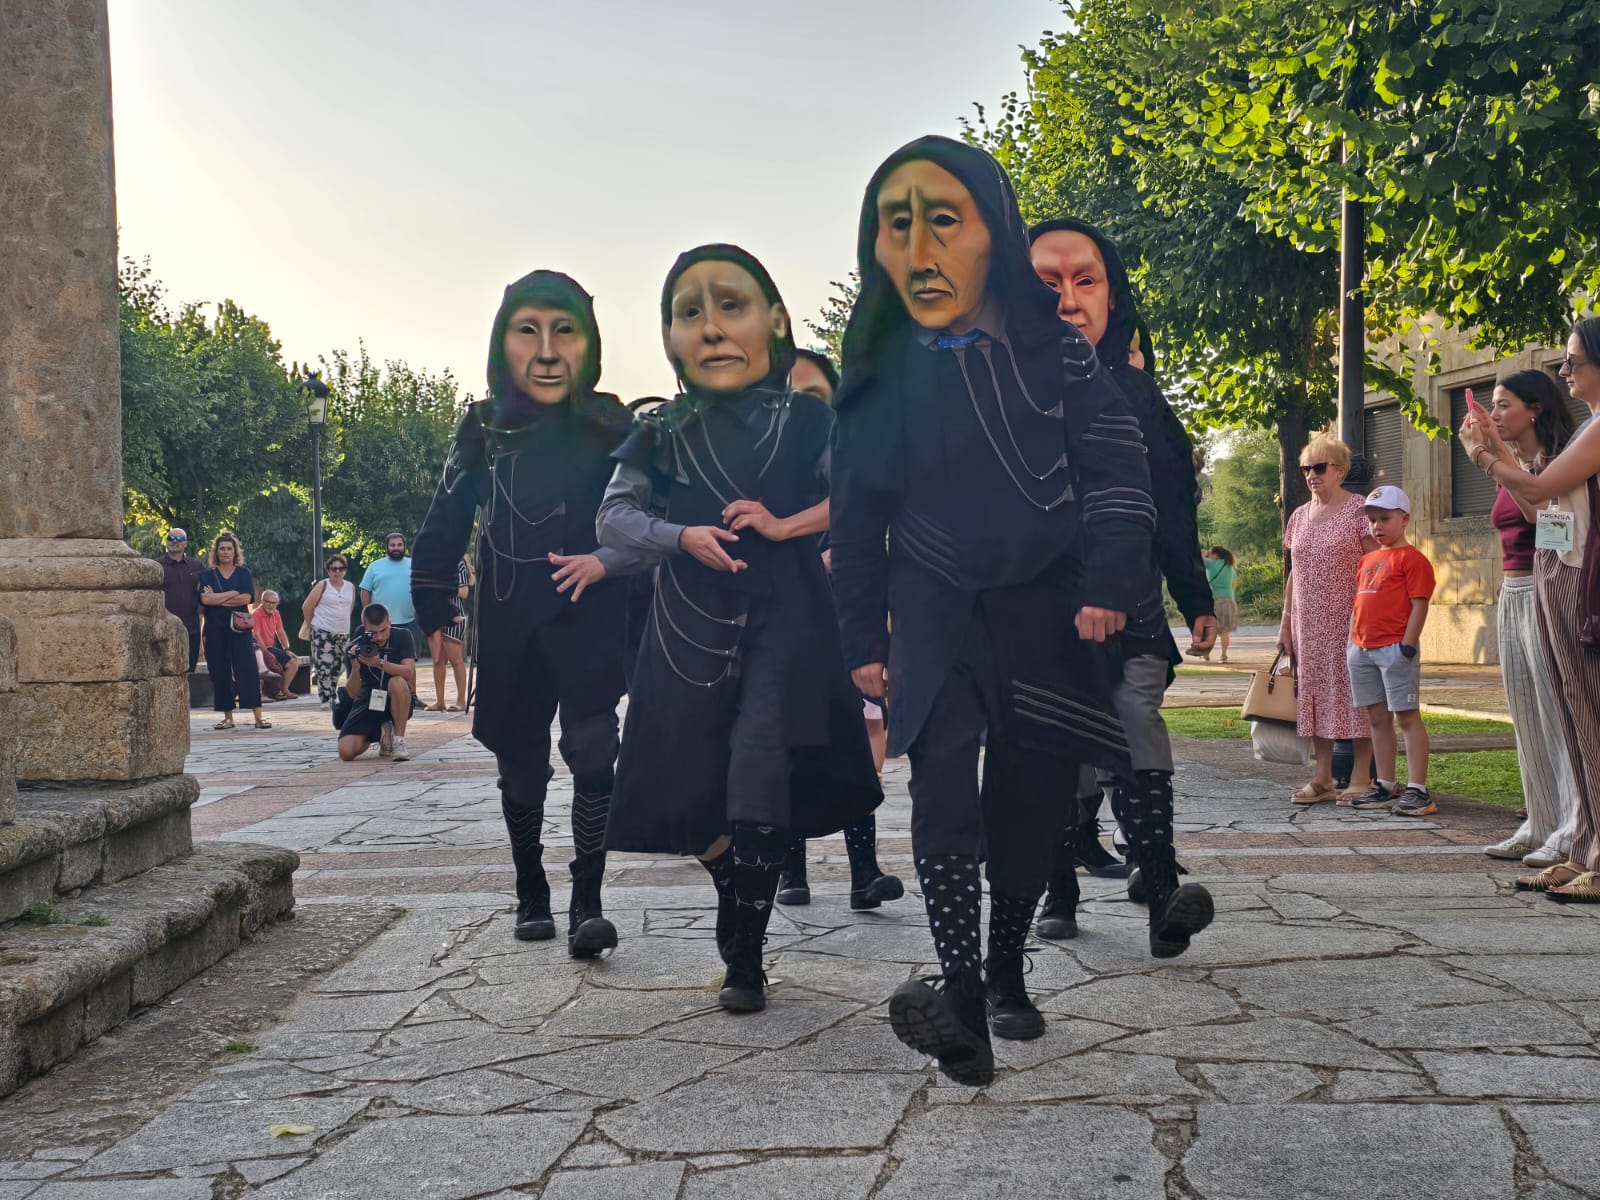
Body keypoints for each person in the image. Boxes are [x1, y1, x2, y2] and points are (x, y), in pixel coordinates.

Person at [830, 137, 1173, 1087]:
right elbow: (857, 514)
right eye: (895, 223)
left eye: (944, 217)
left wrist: (1109, 581)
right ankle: (965, 999)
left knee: (1028, 794)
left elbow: (1113, 469)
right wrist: (861, 635)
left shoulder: (1057, 350)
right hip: (930, 607)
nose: (920, 245)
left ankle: (1010, 969)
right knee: (940, 784)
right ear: (876, 249)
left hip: (1047, 609)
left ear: (994, 231)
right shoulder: (878, 370)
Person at [597, 244, 881, 1013]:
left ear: (776, 321)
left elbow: (863, 496)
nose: (714, 328)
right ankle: (735, 887)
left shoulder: (810, 416)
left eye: (733, 305)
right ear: (669, 339)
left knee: (759, 777)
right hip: (685, 636)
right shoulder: (657, 430)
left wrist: (787, 525)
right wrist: (679, 536)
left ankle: (746, 960)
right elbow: (614, 519)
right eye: (690, 312)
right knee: (688, 794)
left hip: (786, 624)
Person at [413, 269, 639, 958]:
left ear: (588, 344)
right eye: (528, 331)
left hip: (591, 606)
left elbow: (649, 511)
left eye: (564, 331)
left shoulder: (612, 423)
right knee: (520, 761)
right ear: (503, 343)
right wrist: (431, 595)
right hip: (510, 614)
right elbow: (449, 513)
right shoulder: (483, 427)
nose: (546, 350)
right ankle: (531, 890)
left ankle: (588, 899)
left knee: (597, 749)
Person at [1026, 216, 1218, 940]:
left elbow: (1171, 508)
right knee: (1055, 747)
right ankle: (1058, 891)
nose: (1070, 301)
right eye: (1048, 284)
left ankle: (1163, 886)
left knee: (1133, 716)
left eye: (1086, 281)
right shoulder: (994, 395)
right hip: (1035, 609)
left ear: (1113, 297)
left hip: (1130, 601)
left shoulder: (1142, 401)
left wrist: (1196, 599)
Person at [1461, 316, 1600, 902]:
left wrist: (1485, 460)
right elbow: (1546, 517)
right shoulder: (1587, 430)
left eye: (1572, 361)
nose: (1565, 371)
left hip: (1575, 581)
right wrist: (1495, 453)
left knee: (1587, 714)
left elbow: (1542, 497)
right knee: (1572, 718)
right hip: (1555, 575)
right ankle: (1582, 845)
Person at [773, 346, 902, 911]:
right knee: (787, 743)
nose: (804, 406)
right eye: (793, 395)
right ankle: (790, 870)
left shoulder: (850, 450)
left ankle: (864, 873)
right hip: (783, 616)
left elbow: (858, 506)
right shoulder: (764, 457)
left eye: (816, 395)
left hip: (845, 618)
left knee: (852, 741)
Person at [1479, 371, 1578, 868]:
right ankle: (1539, 821)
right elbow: (1528, 504)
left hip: (1549, 584)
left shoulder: (1560, 459)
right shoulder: (1519, 464)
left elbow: (1545, 517)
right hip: (1513, 590)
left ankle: (1570, 826)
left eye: (1503, 405)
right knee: (1525, 713)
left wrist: (1490, 458)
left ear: (1535, 408)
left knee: (1557, 713)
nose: (1494, 415)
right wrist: (1497, 455)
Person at [1278, 434, 1379, 804]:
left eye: (1320, 467)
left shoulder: (1359, 511)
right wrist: (1285, 622)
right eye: (1306, 468)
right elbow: (1295, 572)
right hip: (1308, 625)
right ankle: (1322, 777)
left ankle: (1360, 777)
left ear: (1341, 470)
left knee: (1357, 695)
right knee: (1315, 695)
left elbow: (1375, 566)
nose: (1312, 475)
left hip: (1350, 620)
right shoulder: (1299, 516)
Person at [1343, 487, 1437, 816]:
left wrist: (1407, 645)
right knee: (1376, 718)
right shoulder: (1368, 559)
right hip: (1362, 647)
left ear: (1405, 519)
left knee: (1407, 717)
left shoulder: (1413, 559)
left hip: (1394, 647)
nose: (1377, 526)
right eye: (1372, 520)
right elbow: (1360, 601)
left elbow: (1419, 604)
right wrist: (1353, 643)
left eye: (1385, 518)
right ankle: (1384, 783)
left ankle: (1418, 789)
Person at [199, 530, 267, 730]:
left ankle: (258, 716)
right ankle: (228, 717)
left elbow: (246, 598)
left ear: (235, 551)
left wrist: (218, 598)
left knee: (248, 670)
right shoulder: (207, 575)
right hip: (215, 630)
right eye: (222, 548)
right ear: (216, 552)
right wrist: (231, 593)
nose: (225, 552)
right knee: (219, 672)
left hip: (239, 630)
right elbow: (205, 600)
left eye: (229, 548)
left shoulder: (243, 573)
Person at [334, 603, 416, 763]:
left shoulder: (403, 636)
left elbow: (408, 671)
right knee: (346, 752)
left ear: (390, 623)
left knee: (397, 682)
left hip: (397, 697)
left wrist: (379, 664)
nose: (379, 637)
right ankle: (379, 733)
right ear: (364, 628)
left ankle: (398, 740)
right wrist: (356, 668)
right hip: (368, 698)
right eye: (373, 632)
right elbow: (352, 693)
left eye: (383, 630)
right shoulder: (357, 645)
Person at [303, 554, 356, 706]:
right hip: (322, 630)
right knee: (323, 665)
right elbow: (307, 606)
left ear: (345, 570)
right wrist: (312, 625)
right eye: (334, 569)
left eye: (341, 568)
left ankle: (332, 692)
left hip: (342, 632)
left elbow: (349, 607)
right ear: (328, 570)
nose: (337, 572)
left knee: (340, 665)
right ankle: (325, 697)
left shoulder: (350, 587)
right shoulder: (322, 585)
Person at [360, 534, 422, 651]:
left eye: (399, 545)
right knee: (379, 659)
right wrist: (368, 615)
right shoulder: (375, 566)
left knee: (410, 662)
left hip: (410, 622)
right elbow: (365, 590)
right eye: (392, 545)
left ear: (404, 546)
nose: (396, 548)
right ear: (387, 547)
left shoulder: (414, 565)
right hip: (380, 625)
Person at [426, 557, 471, 712]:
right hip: (433, 615)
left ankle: (461, 701)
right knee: (437, 660)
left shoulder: (458, 562)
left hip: (453, 616)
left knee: (456, 659)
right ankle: (440, 701)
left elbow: (464, 592)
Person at [158, 527, 205, 672]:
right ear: (166, 542)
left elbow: (208, 590)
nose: (175, 542)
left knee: (189, 672)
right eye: (171, 538)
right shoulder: (156, 566)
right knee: (164, 673)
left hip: (191, 629)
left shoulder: (197, 565)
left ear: (185, 544)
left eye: (179, 539)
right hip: (164, 629)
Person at [251, 589, 299, 700]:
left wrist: (287, 649)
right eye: (269, 602)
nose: (271, 605)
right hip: (257, 648)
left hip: (270, 647)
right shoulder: (256, 614)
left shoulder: (276, 614)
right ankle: (259, 694)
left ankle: (284, 690)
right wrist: (266, 653)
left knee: (293, 661)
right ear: (262, 601)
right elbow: (256, 635)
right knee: (261, 662)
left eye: (274, 603)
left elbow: (280, 632)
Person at [1201, 547, 1239, 663]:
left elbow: (1196, 557)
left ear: (1216, 555)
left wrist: (1204, 552)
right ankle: (1223, 656)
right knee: (1225, 631)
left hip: (1213, 599)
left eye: (1211, 554)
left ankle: (1206, 652)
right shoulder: (1231, 567)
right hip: (1228, 600)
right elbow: (1233, 584)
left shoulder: (1211, 563)